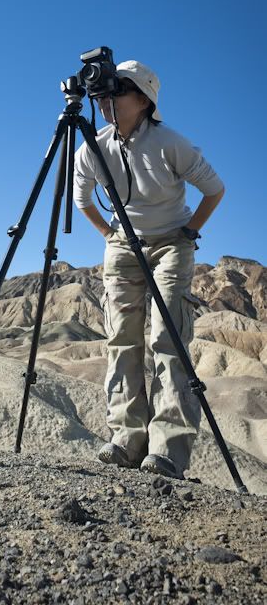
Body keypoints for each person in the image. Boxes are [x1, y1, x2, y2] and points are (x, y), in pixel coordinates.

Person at [73, 60, 225, 479]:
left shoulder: (170, 143)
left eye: (117, 89)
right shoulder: (94, 147)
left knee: (168, 338)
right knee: (121, 338)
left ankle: (168, 451)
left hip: (170, 246)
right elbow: (80, 198)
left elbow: (214, 189)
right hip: (124, 246)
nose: (105, 98)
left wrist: (188, 232)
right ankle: (127, 439)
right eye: (103, 91)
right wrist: (110, 235)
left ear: (143, 100)